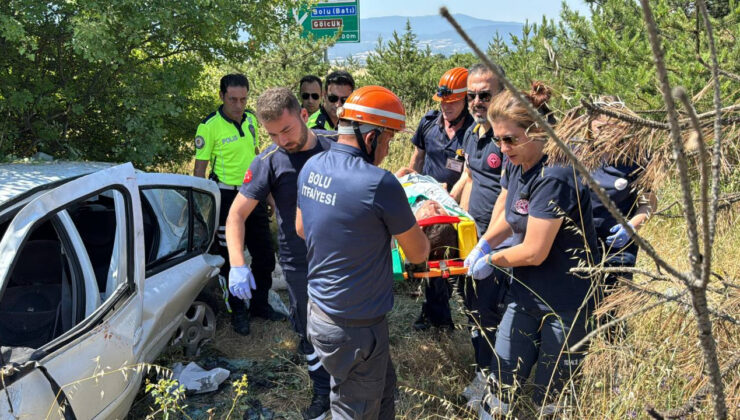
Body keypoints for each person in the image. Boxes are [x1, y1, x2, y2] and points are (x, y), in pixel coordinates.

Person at [296, 85, 430, 419]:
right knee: (352, 409)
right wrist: (420, 217)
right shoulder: (379, 183)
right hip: (356, 328)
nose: (387, 149)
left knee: (380, 393)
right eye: (388, 140)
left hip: (321, 313)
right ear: (371, 138)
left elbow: (302, 228)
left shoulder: (312, 167)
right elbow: (417, 253)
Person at [467, 82, 599, 417]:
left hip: (566, 300)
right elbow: (514, 217)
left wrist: (492, 260)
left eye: (510, 138)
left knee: (551, 397)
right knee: (500, 381)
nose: (503, 146)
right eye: (498, 138)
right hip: (525, 292)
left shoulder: (555, 175)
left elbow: (534, 250)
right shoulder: (516, 161)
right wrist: (484, 242)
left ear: (538, 131)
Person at [225, 88, 333, 420]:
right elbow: (236, 215)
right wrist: (237, 264)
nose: (281, 139)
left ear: (303, 115)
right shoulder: (268, 162)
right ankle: (322, 393)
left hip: (341, 256)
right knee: (308, 329)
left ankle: (353, 384)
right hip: (298, 261)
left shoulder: (337, 147)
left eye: (286, 130)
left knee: (346, 325)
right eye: (273, 133)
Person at [193, 73, 282, 336]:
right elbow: (199, 171)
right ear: (221, 96)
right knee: (231, 260)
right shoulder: (208, 126)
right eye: (233, 99)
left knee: (265, 255)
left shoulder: (252, 119)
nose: (239, 105)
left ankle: (259, 304)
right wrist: (201, 208)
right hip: (225, 198)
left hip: (252, 194)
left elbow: (256, 158)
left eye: (243, 99)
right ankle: (237, 311)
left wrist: (267, 193)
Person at [448, 63, 508, 407]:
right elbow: (469, 178)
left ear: (500, 94)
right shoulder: (472, 133)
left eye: (484, 94)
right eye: (470, 95)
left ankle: (497, 383)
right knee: (473, 312)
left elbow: (508, 196)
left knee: (494, 314)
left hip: (498, 244)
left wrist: (488, 244)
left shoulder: (508, 137)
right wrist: (452, 214)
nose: (476, 101)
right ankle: (483, 372)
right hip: (472, 241)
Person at [407, 67, 475, 331]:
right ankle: (436, 316)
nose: (446, 107)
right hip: (431, 203)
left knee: (460, 264)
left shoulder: (474, 130)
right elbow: (418, 158)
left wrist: (451, 199)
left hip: (458, 202)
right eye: (443, 102)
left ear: (466, 100)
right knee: (435, 261)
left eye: (452, 102)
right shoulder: (428, 123)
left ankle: (474, 320)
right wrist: (411, 185)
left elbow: (470, 173)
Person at [587, 97, 657, 338]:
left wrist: (631, 226)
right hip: (580, 241)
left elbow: (648, 204)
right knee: (580, 307)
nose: (605, 134)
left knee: (612, 310)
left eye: (612, 128)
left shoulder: (637, 158)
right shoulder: (577, 151)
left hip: (618, 247)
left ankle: (612, 357)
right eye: (599, 127)